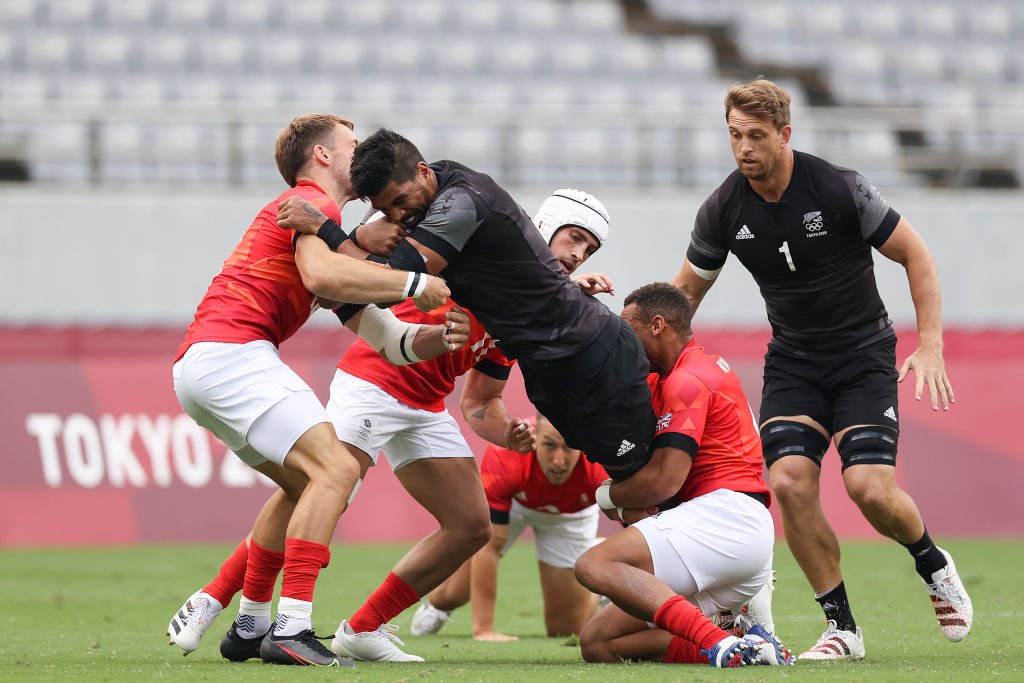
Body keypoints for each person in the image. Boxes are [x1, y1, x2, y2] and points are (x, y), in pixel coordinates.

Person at [168, 189, 614, 663]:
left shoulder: (535, 309)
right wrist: (335, 234)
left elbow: (481, 403)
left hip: (425, 403)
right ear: (546, 226)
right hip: (373, 381)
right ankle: (219, 601)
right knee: (318, 490)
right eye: (575, 238)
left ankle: (362, 628)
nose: (578, 254)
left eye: (589, 249)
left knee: (470, 526)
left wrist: (509, 434)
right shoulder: (487, 247)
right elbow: (383, 265)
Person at [670, 78, 972, 660]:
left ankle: (932, 563)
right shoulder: (722, 209)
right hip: (793, 363)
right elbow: (683, 296)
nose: (743, 148)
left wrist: (929, 342)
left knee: (868, 489)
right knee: (786, 481)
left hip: (862, 358)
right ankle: (843, 630)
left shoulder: (839, 189)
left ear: (785, 135)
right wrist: (649, 353)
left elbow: (917, 253)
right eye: (734, 135)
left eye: (756, 136)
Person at [168, 114, 452, 667]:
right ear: (322, 157)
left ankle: (247, 623)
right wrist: (417, 281)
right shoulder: (311, 203)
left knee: (306, 487)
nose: (362, 150)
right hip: (234, 353)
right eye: (351, 144)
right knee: (338, 471)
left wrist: (443, 336)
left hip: (203, 367)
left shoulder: (322, 234)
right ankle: (292, 626)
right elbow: (327, 281)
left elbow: (388, 340)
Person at [279, 129, 656, 487]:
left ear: (424, 173)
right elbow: (478, 393)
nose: (396, 216)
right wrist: (362, 235)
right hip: (550, 373)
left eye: (398, 203)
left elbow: (386, 286)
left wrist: (327, 230)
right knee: (625, 487)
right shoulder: (434, 193)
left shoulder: (459, 204)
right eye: (386, 210)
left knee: (641, 485)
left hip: (588, 357)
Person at [572, 283, 792, 667]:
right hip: (727, 530)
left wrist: (608, 497)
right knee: (599, 642)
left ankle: (716, 639)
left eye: (629, 326)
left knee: (593, 565)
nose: (623, 336)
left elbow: (664, 482)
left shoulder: (689, 378)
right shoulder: (675, 374)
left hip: (726, 520)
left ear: (657, 325)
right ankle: (747, 647)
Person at [412, 413, 610, 641]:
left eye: (568, 448)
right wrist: (483, 630)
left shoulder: (599, 457)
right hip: (515, 503)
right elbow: (489, 548)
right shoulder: (507, 453)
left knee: (564, 629)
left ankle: (597, 561)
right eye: (549, 446)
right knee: (455, 591)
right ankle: (437, 606)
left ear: (581, 444)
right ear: (535, 438)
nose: (558, 461)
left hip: (571, 514)